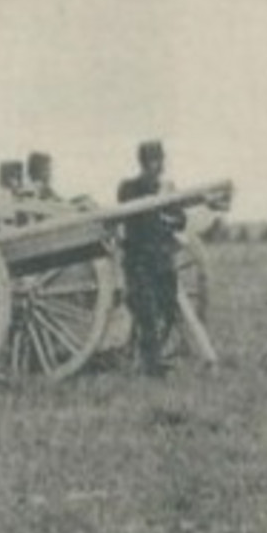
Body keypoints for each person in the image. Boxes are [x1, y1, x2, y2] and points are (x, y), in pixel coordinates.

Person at [118, 140, 186, 376]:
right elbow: (136, 218)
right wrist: (161, 214)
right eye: (153, 161)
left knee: (167, 308)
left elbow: (180, 219)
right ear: (144, 163)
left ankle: (152, 355)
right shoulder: (129, 188)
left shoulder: (167, 189)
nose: (157, 165)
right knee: (145, 310)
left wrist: (165, 217)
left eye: (159, 160)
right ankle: (151, 365)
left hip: (163, 259)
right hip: (139, 259)